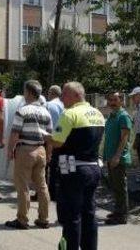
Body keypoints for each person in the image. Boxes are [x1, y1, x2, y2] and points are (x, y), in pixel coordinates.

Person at [46, 82, 105, 250]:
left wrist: (46, 137)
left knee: (72, 214)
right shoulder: (98, 113)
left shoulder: (70, 114)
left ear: (77, 95)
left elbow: (57, 141)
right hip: (94, 167)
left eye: (65, 94)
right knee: (89, 212)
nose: (62, 98)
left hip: (74, 169)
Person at [5, 80, 52, 230]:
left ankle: (22, 219)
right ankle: (44, 218)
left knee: (22, 186)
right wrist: (49, 153)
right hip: (41, 150)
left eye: (25, 91)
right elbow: (50, 136)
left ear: (29, 93)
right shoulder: (46, 112)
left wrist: (10, 150)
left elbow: (15, 132)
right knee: (42, 186)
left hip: (26, 150)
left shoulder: (23, 110)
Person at [103, 92, 132, 225]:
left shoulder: (123, 116)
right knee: (115, 186)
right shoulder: (111, 116)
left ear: (121, 101)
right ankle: (117, 211)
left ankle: (122, 215)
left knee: (120, 187)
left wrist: (117, 156)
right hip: (110, 156)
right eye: (110, 100)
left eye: (115, 100)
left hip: (118, 158)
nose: (112, 102)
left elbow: (124, 138)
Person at [45, 85, 64, 201]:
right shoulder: (63, 105)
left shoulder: (49, 105)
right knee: (59, 168)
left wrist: (49, 148)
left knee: (47, 167)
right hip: (63, 140)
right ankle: (57, 192)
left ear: (51, 93)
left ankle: (49, 193)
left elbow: (50, 128)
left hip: (52, 140)